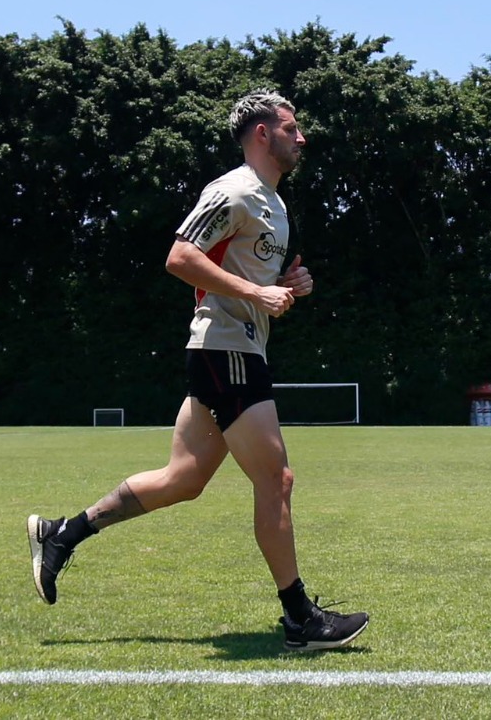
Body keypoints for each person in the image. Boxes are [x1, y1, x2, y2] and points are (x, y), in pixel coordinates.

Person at [26, 90, 369, 651]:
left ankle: (62, 534)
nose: (301, 137)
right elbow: (180, 257)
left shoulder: (274, 204)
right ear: (263, 133)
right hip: (225, 349)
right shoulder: (232, 191)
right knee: (276, 479)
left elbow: (246, 278)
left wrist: (287, 286)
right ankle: (300, 620)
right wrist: (257, 292)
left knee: (182, 480)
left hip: (234, 350)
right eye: (292, 128)